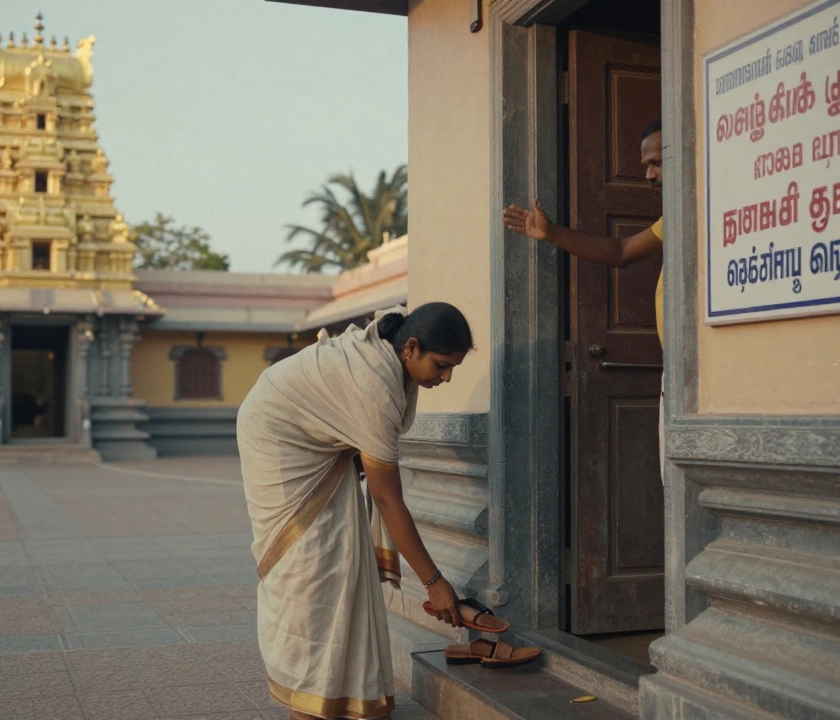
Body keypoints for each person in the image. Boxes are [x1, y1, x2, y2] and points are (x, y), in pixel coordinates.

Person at [238, 302, 473, 720]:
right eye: (441, 365)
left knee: (343, 568)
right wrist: (434, 582)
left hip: (307, 442)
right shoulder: (375, 384)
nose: (447, 377)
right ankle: (308, 704)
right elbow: (387, 499)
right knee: (311, 571)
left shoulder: (391, 361)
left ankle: (340, 700)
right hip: (277, 441)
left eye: (453, 367)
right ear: (411, 348)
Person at [502, 117, 667, 478]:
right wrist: (551, 234)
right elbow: (621, 250)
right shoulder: (671, 220)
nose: (649, 176)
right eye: (646, 166)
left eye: (657, 162)